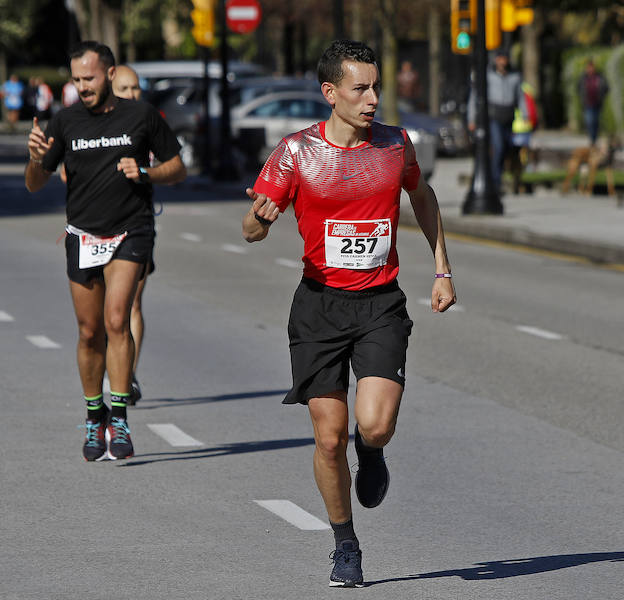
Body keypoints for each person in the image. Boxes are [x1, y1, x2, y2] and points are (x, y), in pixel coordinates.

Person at [242, 39, 455, 588]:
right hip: (319, 306)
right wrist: (260, 220)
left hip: (380, 303)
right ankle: (345, 545)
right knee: (328, 437)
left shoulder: (394, 145)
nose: (373, 99)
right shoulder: (295, 152)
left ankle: (374, 449)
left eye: (376, 87)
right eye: (360, 89)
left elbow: (422, 197)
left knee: (375, 425)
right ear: (330, 93)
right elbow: (252, 226)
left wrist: (442, 269)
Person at [25, 41, 186, 462]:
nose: (83, 87)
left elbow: (177, 167)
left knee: (118, 318)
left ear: (110, 74)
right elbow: (35, 183)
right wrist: (35, 158)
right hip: (82, 234)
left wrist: (146, 170)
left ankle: (119, 418)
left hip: (131, 229)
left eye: (90, 78)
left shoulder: (142, 116)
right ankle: (93, 417)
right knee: (89, 330)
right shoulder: (66, 121)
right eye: (76, 79)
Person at [111, 64, 150, 403]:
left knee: (132, 303)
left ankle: (129, 375)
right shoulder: (92, 124)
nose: (132, 94)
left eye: (136, 88)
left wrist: (146, 170)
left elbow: (171, 165)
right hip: (96, 228)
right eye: (125, 88)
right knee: (107, 311)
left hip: (137, 224)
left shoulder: (146, 124)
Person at [467, 49, 524, 193]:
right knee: (497, 146)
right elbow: (475, 96)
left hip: (508, 116)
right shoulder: (488, 76)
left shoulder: (515, 76)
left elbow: (520, 97)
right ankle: (495, 181)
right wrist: (472, 117)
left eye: (504, 59)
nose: (502, 62)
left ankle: (499, 176)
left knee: (506, 147)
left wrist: (526, 115)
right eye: (500, 59)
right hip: (493, 116)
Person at [578, 59, 608, 147]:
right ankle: (592, 139)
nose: (590, 69)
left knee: (595, 122)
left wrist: (602, 96)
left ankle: (594, 140)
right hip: (587, 104)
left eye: (592, 67)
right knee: (589, 121)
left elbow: (606, 87)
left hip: (597, 104)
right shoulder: (583, 78)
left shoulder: (600, 77)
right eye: (589, 68)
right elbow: (579, 88)